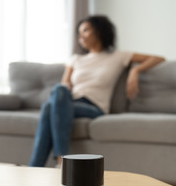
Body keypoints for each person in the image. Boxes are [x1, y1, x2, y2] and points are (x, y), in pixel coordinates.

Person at [28, 15, 165, 167]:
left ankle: (49, 163)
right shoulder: (75, 59)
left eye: (85, 30)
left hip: (94, 107)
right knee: (57, 93)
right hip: (69, 101)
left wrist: (135, 70)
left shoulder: (118, 56)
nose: (81, 36)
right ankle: (55, 162)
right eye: (79, 33)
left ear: (99, 31)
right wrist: (63, 91)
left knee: (49, 107)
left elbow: (157, 58)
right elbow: (65, 83)